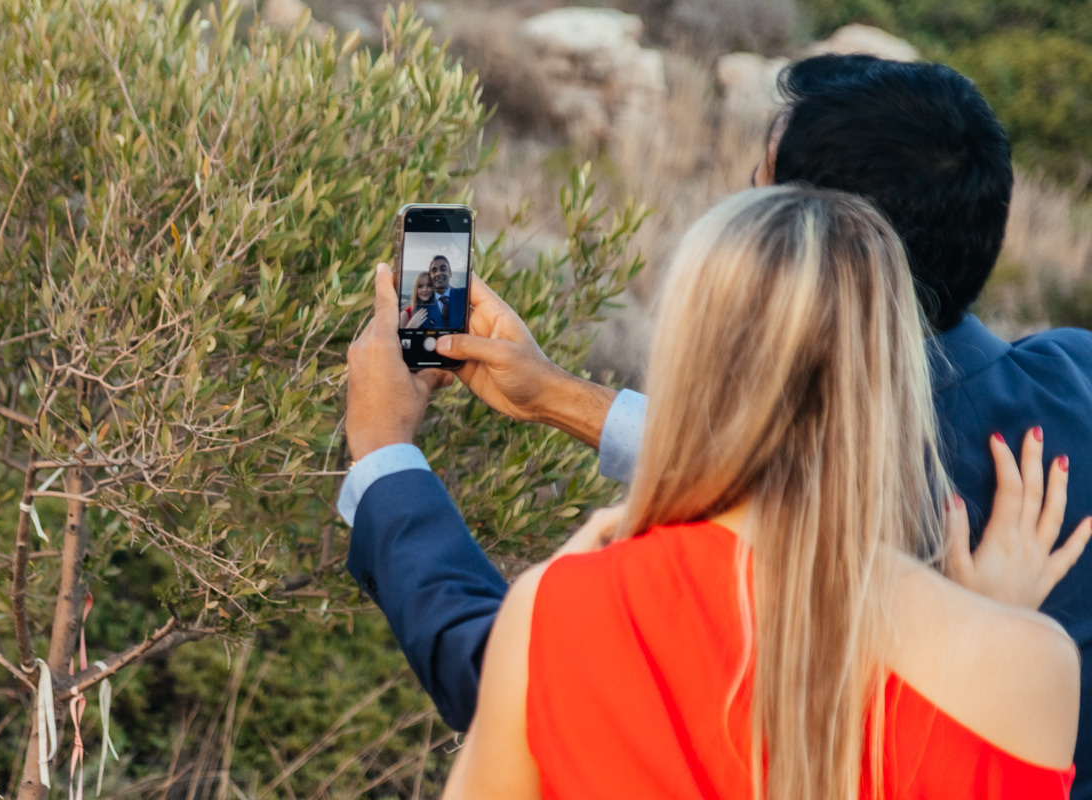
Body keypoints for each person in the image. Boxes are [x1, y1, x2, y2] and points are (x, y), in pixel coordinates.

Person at [340, 53, 1092, 794]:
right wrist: (554, 396)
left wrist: (384, 455)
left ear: (806, 254)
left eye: (757, 191)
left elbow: (524, 681)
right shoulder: (1073, 382)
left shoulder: (678, 591)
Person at [428, 255, 467, 328]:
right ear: (430, 276)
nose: (438, 273)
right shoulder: (424, 303)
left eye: (443, 269)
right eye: (434, 271)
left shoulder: (464, 295)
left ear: (450, 273)